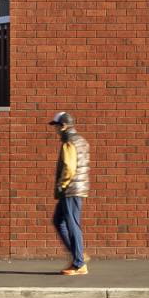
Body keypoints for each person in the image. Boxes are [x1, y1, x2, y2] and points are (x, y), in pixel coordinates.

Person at [49, 111, 90, 276]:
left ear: (64, 126)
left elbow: (70, 167)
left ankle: (79, 263)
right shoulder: (82, 141)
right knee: (59, 221)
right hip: (78, 188)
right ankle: (78, 254)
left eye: (57, 126)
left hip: (71, 189)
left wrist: (62, 185)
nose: (56, 130)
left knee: (72, 224)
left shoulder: (69, 142)